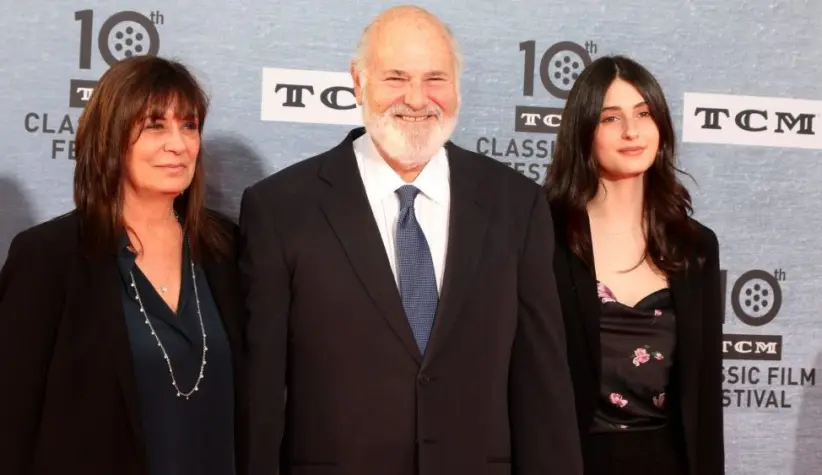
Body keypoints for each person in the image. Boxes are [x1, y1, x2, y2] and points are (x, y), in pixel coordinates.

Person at [238, 5, 582, 475]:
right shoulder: (281, 208)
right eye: (396, 78)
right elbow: (261, 395)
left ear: (457, 86)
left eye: (435, 79)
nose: (417, 100)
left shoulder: (516, 205)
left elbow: (543, 387)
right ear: (358, 82)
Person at [0, 56, 246, 475]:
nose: (179, 144)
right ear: (110, 137)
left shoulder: (228, 248)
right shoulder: (49, 257)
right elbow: (10, 420)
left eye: (189, 126)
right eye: (156, 125)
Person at [544, 55, 724, 475]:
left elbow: (703, 396)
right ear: (583, 130)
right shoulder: (544, 237)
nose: (631, 131)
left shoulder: (695, 246)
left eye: (644, 113)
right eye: (611, 118)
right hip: (569, 458)